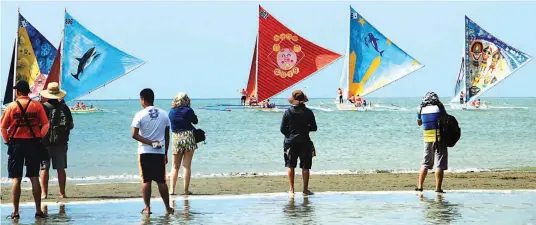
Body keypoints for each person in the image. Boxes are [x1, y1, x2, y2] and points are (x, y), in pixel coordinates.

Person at [1, 81, 49, 219]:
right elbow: (46, 124)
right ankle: (38, 211)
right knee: (34, 176)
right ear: (27, 92)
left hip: (16, 143)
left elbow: (3, 127)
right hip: (33, 143)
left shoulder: (12, 106)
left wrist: (6, 141)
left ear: (18, 92)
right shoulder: (37, 105)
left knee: (16, 178)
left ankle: (15, 212)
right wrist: (40, 135)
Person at [131, 88, 174, 214]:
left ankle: (147, 207)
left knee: (146, 180)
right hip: (159, 153)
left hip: (145, 151)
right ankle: (167, 207)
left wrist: (150, 143)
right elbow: (167, 136)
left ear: (143, 99)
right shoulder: (164, 114)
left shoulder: (139, 114)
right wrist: (165, 153)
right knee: (161, 181)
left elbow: (134, 134)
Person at [39, 82, 74, 200]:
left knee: (44, 168)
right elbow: (71, 125)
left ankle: (44, 193)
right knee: (60, 168)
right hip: (60, 142)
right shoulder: (64, 108)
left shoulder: (42, 107)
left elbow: (38, 125)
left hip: (45, 142)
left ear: (47, 94)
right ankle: (62, 193)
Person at [280, 90, 317, 196]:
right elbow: (314, 128)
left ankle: (292, 190)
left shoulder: (288, 112)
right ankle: (305, 190)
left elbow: (282, 129)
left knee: (290, 165)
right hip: (305, 141)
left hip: (290, 142)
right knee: (306, 167)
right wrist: (305, 129)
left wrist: (290, 135)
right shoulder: (309, 112)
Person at [416, 92, 448, 193]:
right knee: (440, 164)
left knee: (425, 163)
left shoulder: (420, 108)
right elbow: (445, 119)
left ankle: (420, 186)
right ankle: (438, 188)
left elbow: (419, 123)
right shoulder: (439, 107)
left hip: (427, 139)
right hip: (440, 138)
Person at [168, 93, 198, 195]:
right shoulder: (188, 110)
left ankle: (172, 190)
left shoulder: (171, 112)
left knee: (175, 166)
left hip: (176, 137)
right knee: (186, 166)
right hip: (188, 136)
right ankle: (185, 190)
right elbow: (195, 121)